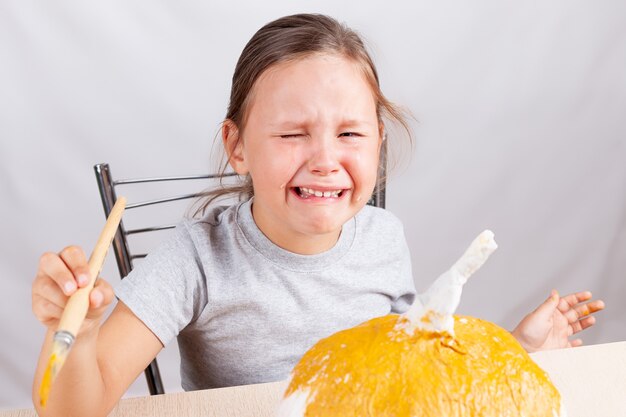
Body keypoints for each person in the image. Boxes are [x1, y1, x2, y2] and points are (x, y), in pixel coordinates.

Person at [31, 13, 605, 417]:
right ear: (237, 146)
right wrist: (79, 337)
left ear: (377, 144)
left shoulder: (383, 236)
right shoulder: (195, 258)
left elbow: (417, 363)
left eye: (350, 133)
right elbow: (73, 408)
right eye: (292, 134)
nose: (325, 160)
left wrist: (515, 350)